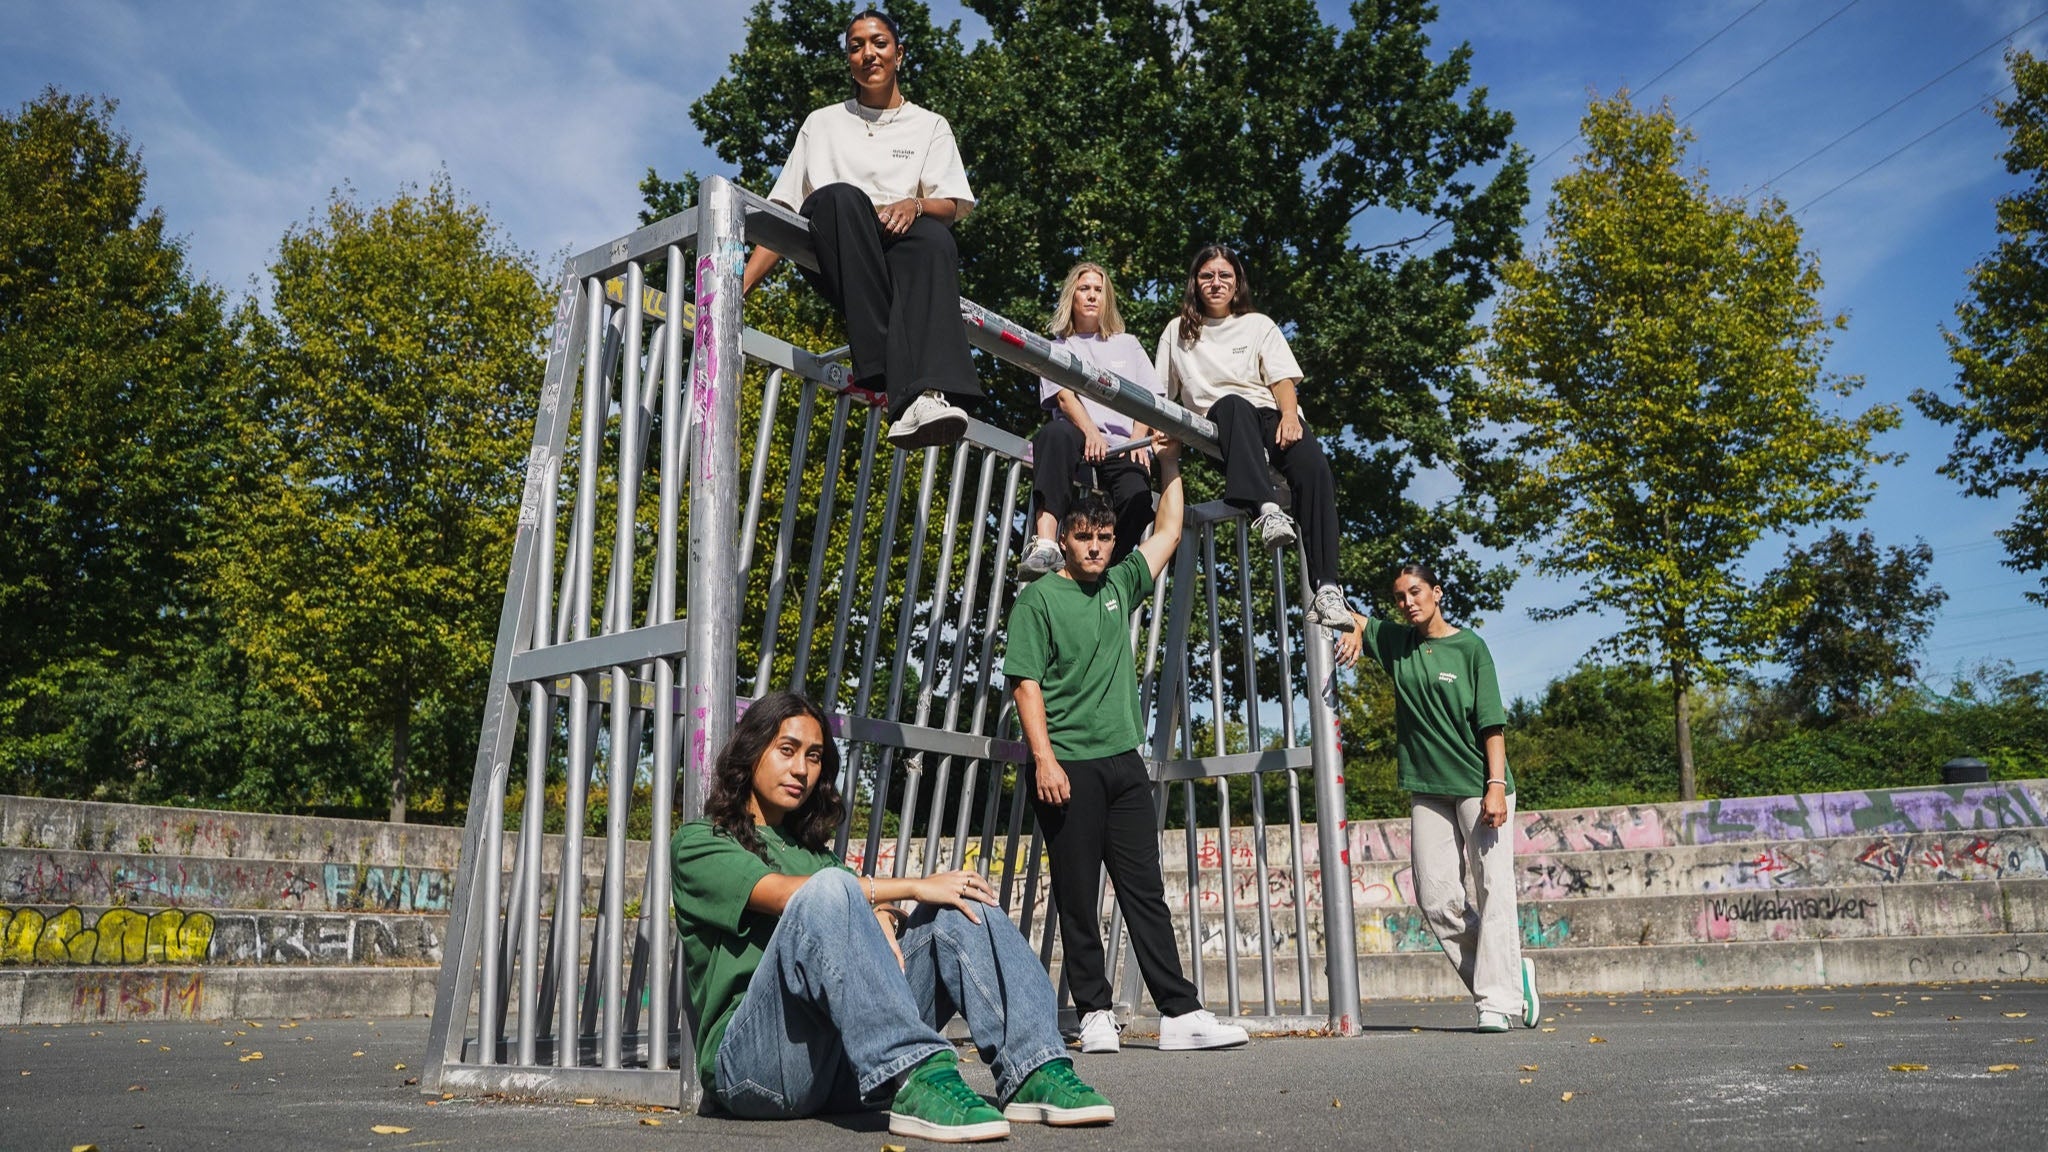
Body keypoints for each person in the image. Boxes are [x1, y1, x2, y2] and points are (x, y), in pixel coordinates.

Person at [672, 690, 1115, 1142]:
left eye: (815, 756)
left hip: (846, 1066)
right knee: (835, 890)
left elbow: (857, 904)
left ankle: (1033, 1068)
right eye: (787, 750)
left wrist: (884, 914)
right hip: (756, 1067)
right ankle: (919, 1073)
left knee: (958, 903)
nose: (802, 769)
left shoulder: (814, 855)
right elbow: (788, 895)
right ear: (751, 753)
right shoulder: (701, 843)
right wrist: (912, 886)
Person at [1005, 432, 1250, 1054]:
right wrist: (1044, 760)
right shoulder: (1038, 598)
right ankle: (1093, 1013)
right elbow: (1025, 686)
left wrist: (1168, 458)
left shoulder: (1120, 585)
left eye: (1104, 538)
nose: (1094, 547)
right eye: (1083, 537)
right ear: (1064, 540)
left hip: (1123, 764)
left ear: (1113, 541)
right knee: (1076, 894)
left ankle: (1179, 1012)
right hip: (1068, 766)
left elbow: (1168, 528)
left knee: (1145, 890)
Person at [741, 9, 980, 449]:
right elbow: (784, 211)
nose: (868, 53)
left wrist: (915, 204)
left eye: (879, 43)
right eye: (856, 47)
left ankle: (924, 397)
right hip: (838, 246)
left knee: (933, 236)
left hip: (897, 254)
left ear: (899, 54)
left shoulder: (930, 126)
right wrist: (738, 290)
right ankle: (897, 377)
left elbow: (950, 204)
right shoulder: (822, 122)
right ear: (848, 59)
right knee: (841, 197)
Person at [1335, 564, 1539, 1033]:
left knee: (1494, 890)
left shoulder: (1471, 648)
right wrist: (1355, 632)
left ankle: (1497, 1000)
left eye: (1416, 592)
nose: (1408, 602)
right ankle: (1510, 976)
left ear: (1437, 593)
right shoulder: (1399, 644)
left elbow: (1492, 723)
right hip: (1428, 789)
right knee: (1435, 897)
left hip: (1476, 784)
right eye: (1400, 596)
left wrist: (1495, 786)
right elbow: (1355, 617)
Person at [1151, 244, 1353, 631]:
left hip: (1270, 415)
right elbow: (1158, 394)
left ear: (1236, 283)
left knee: (1314, 470)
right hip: (1221, 424)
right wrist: (1142, 439)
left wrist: (1291, 416)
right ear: (1195, 282)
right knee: (1232, 403)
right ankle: (1265, 509)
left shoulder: (1259, 324)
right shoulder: (1177, 331)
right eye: (1207, 275)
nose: (1216, 283)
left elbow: (1281, 378)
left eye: (1224, 276)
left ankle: (1328, 589)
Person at [1018, 262, 1166, 579]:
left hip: (1122, 443)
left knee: (1138, 499)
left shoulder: (1128, 344)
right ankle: (1045, 542)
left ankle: (1103, 572)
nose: (1092, 295)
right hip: (1079, 440)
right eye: (1084, 288)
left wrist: (1136, 439)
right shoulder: (1059, 346)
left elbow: (1150, 399)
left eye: (1098, 290)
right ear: (1072, 295)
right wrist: (1090, 432)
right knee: (1054, 434)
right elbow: (1063, 396)